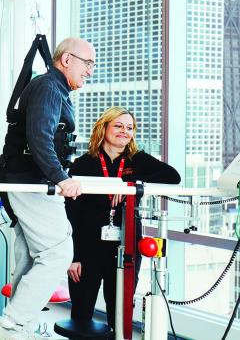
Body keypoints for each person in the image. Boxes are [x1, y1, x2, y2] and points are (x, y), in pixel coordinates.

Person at [0, 37, 95, 340]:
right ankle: (10, 324)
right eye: (87, 63)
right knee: (59, 253)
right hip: (31, 182)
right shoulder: (49, 87)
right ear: (66, 60)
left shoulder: (53, 89)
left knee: (32, 258)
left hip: (27, 180)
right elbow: (39, 137)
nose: (90, 71)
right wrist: (61, 178)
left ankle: (19, 328)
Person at [65, 107, 179, 331]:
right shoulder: (84, 163)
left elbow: (173, 176)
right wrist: (73, 256)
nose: (124, 132)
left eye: (129, 128)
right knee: (81, 310)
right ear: (103, 127)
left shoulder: (138, 161)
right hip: (87, 248)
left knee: (120, 311)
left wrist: (131, 183)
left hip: (126, 247)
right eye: (118, 126)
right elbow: (71, 214)